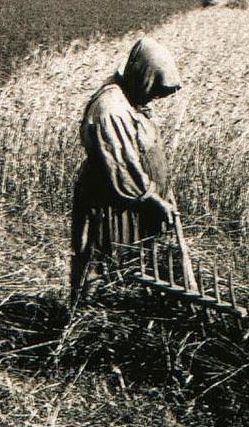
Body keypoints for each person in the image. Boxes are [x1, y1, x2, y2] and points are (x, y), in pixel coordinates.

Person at [69, 37, 182, 301]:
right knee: (104, 260)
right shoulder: (111, 109)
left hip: (134, 204)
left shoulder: (131, 101)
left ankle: (121, 312)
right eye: (154, 88)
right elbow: (121, 165)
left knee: (130, 265)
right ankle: (90, 321)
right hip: (113, 205)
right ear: (143, 75)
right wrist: (152, 198)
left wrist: (163, 193)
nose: (155, 96)